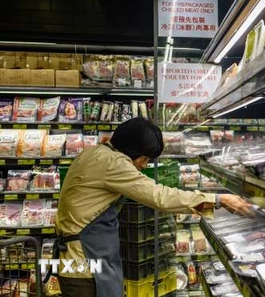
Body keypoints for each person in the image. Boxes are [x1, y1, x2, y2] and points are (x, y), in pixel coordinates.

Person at [54, 117, 252, 297]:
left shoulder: (95, 152)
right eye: (145, 158)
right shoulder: (113, 163)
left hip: (76, 257)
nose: (144, 165)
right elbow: (160, 197)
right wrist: (218, 199)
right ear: (132, 149)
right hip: (85, 261)